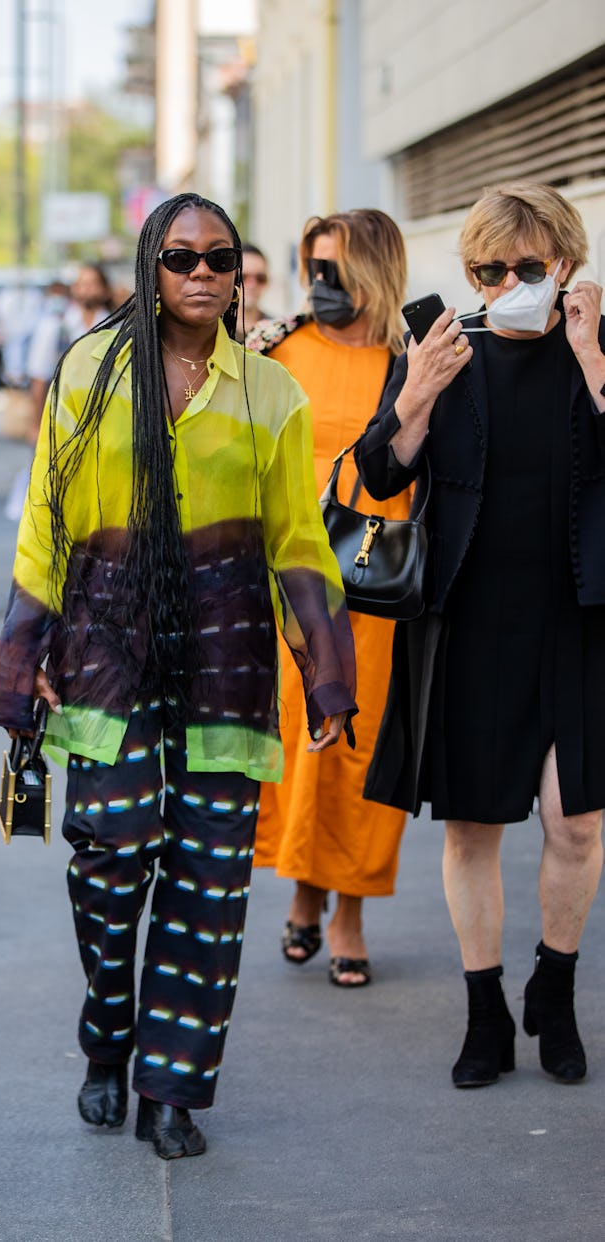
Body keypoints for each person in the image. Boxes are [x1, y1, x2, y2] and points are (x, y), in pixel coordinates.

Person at [0, 192, 357, 1158]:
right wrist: (28, 662)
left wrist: (326, 673)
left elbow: (299, 543)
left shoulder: (268, 393)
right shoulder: (89, 373)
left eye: (219, 259)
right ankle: (107, 1041)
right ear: (151, 265)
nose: (200, 274)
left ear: (238, 273)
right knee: (108, 865)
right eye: (181, 257)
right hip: (104, 650)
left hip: (227, 664)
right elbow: (44, 525)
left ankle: (172, 1090)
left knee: (211, 881)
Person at [355, 181, 605, 1087]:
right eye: (489, 269)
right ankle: (484, 1010)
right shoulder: (442, 346)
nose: (510, 282)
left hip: (579, 617)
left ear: (567, 263)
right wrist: (415, 394)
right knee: (471, 830)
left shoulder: (599, 348)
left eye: (529, 267)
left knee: (575, 821)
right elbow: (380, 472)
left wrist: (590, 359)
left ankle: (559, 986)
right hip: (468, 618)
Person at [248, 211, 409, 987]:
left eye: (336, 271)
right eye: (313, 268)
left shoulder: (412, 359)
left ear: (374, 271)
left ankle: (348, 909)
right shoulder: (279, 349)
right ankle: (303, 892)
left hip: (376, 579)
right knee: (299, 738)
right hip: (292, 576)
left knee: (361, 742)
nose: (321, 287)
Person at [26, 264, 115, 441]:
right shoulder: (54, 327)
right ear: (73, 290)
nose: (87, 288)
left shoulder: (119, 328)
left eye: (93, 283)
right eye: (81, 283)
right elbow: (39, 377)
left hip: (109, 424)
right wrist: (36, 426)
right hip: (64, 425)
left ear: (105, 290)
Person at [235, 244, 273, 343]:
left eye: (260, 278)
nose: (252, 284)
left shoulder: (276, 330)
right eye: (243, 277)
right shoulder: (212, 330)